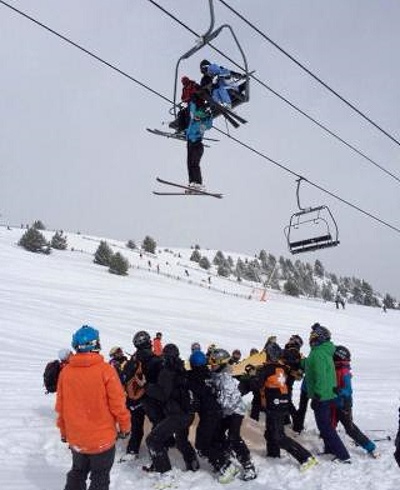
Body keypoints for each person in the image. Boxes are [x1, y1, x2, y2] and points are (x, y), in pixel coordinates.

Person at [56, 325, 131, 490]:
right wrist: (125, 427)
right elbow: (118, 403)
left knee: (78, 472)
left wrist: (64, 432)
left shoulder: (66, 372)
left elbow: (61, 406)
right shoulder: (106, 371)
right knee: (100, 477)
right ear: (96, 344)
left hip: (77, 438)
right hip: (102, 439)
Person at [259, 342, 317, 471]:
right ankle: (273, 454)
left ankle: (305, 457)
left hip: (275, 404)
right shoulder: (283, 367)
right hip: (281, 403)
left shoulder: (266, 369)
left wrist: (251, 375)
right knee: (270, 432)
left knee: (278, 436)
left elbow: (257, 384)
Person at [144, 343, 199, 473]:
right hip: (187, 413)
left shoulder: (167, 371)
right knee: (181, 441)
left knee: (153, 440)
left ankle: (165, 472)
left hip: (177, 415)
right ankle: (192, 462)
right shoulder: (182, 368)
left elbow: (162, 394)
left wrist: (147, 386)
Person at [187, 350, 238, 483]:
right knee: (214, 440)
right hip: (217, 412)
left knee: (202, 445)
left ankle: (226, 466)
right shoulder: (210, 374)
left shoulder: (192, 377)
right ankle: (223, 463)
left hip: (208, 414)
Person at [305, 323, 351, 463]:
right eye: (311, 336)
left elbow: (321, 375)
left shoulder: (318, 353)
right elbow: (317, 369)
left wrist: (318, 394)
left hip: (322, 395)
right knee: (324, 426)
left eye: (314, 336)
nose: (311, 339)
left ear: (320, 338)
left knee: (326, 427)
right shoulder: (323, 351)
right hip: (327, 394)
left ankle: (343, 455)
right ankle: (330, 449)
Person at [209, 348, 257, 481]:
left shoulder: (226, 379)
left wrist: (213, 396)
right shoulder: (215, 374)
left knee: (233, 436)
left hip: (236, 410)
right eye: (211, 361)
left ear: (222, 363)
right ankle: (226, 455)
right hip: (225, 411)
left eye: (214, 361)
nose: (212, 364)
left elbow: (227, 401)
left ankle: (248, 465)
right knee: (217, 433)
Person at [121, 330, 164, 460]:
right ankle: (159, 452)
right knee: (158, 425)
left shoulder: (132, 360)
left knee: (136, 427)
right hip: (150, 398)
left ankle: (132, 451)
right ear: (148, 342)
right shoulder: (155, 359)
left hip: (133, 400)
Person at [332, 345, 378, 457]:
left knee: (350, 428)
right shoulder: (337, 368)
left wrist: (338, 390)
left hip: (344, 404)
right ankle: (330, 447)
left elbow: (348, 390)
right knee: (330, 426)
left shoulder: (344, 371)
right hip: (335, 403)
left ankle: (370, 446)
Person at [185, 98, 213, 190]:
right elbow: (192, 112)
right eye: (196, 116)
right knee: (189, 164)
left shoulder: (202, 124)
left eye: (198, 117)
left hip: (197, 145)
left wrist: (210, 114)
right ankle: (192, 182)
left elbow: (209, 125)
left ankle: (198, 183)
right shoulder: (192, 122)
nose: (196, 118)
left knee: (194, 164)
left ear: (201, 118)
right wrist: (192, 102)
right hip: (190, 144)